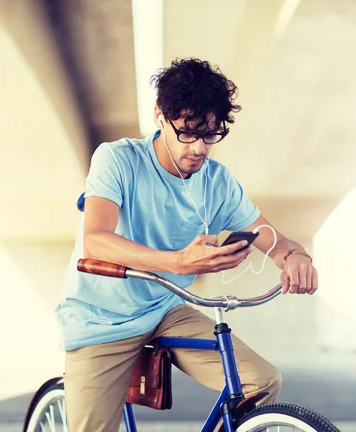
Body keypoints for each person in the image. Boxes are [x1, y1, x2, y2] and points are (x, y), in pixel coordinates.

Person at [55, 58, 318, 432]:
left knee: (261, 382)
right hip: (102, 317)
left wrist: (295, 256)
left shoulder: (217, 182)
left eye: (210, 135)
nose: (199, 149)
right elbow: (95, 240)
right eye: (188, 133)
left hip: (165, 309)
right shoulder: (118, 160)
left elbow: (272, 239)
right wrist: (178, 262)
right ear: (161, 116)